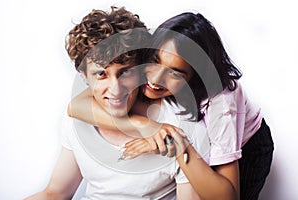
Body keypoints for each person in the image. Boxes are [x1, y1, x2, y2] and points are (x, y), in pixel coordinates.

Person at [69, 12, 274, 200]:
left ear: (195, 75)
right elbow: (76, 106)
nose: (156, 80)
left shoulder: (221, 102)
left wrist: (176, 145)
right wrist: (145, 125)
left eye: (175, 72)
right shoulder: (135, 68)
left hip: (248, 147)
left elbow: (227, 196)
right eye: (155, 61)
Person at [25, 7, 206, 200]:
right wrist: (142, 124)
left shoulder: (178, 123)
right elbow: (55, 193)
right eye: (101, 74)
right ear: (85, 76)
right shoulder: (77, 119)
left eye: (126, 72)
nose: (115, 89)